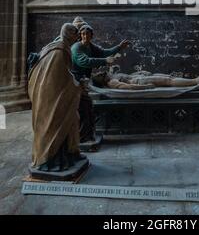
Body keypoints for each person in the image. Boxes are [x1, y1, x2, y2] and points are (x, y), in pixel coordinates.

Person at [28, 24, 85, 172]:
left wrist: (74, 80)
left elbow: (62, 74)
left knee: (73, 120)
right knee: (56, 125)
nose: (77, 37)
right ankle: (51, 160)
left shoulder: (59, 47)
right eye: (75, 34)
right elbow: (59, 79)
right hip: (53, 98)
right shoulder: (59, 51)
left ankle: (72, 153)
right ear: (68, 34)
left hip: (56, 95)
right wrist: (77, 82)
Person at [71, 24, 130, 143]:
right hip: (74, 81)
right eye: (83, 34)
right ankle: (81, 138)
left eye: (88, 34)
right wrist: (104, 61)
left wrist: (119, 47)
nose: (85, 36)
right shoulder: (76, 47)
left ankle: (86, 136)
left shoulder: (91, 46)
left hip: (83, 81)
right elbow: (84, 61)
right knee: (83, 109)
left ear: (91, 35)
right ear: (80, 35)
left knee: (88, 108)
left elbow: (104, 52)